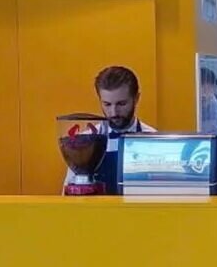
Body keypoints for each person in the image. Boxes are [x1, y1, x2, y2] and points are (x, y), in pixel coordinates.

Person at [63, 66, 155, 194]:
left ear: (136, 99)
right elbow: (68, 196)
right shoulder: (83, 143)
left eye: (121, 104)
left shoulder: (154, 141)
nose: (114, 112)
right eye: (107, 104)